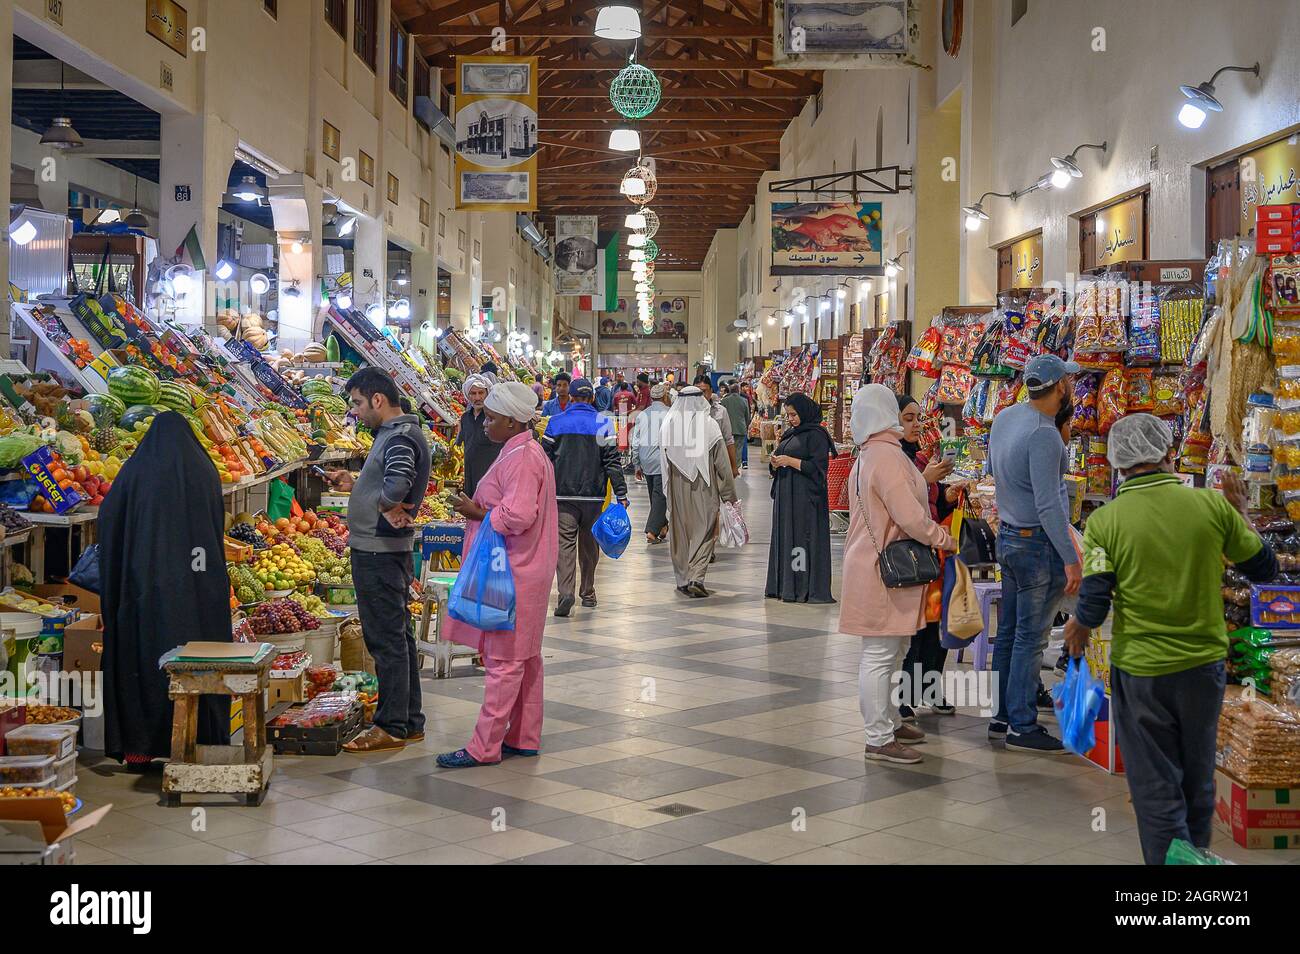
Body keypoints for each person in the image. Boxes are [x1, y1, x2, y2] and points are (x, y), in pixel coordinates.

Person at [1064, 415, 1276, 864]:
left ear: (1118, 463)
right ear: (1167, 453)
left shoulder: (1105, 522)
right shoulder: (1211, 507)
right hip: (1203, 668)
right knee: (1198, 781)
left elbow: (1097, 600)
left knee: (1156, 787)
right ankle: (1195, 863)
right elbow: (1264, 570)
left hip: (1141, 671)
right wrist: (1238, 518)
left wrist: (1079, 627)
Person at [437, 383, 560, 768]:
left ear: (512, 420)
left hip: (513, 570)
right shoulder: (523, 451)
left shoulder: (522, 458)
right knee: (525, 658)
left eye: (491, 418)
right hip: (523, 568)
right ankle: (523, 736)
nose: (485, 424)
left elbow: (519, 514)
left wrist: (477, 513)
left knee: (505, 661)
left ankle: (483, 746)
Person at [100, 412, 231, 771]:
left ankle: (142, 748)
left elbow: (109, 517)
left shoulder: (137, 472)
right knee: (198, 660)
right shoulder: (204, 470)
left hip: (146, 589)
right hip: (198, 588)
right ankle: (200, 739)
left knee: (145, 658)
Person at [840, 384, 956, 764]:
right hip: (882, 568)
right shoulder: (886, 456)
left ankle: (888, 720)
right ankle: (877, 737)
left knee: (893, 650)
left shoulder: (872, 453)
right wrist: (944, 538)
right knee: (880, 652)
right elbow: (908, 514)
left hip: (874, 563)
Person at [326, 368, 432, 752]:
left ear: (377, 399)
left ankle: (390, 726)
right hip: (384, 549)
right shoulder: (392, 435)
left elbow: (399, 483)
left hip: (379, 550)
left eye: (357, 403)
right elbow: (389, 482)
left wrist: (382, 503)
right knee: (398, 635)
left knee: (385, 639)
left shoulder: (400, 436)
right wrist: (357, 485)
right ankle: (409, 719)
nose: (355, 412)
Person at [987, 353, 1081, 753]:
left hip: (1008, 535)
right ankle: (1022, 725)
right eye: (1069, 382)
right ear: (1060, 386)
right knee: (1030, 637)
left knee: (1008, 633)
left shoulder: (1007, 416)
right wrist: (1071, 556)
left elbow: (992, 468)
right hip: (1035, 542)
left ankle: (1003, 715)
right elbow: (1049, 505)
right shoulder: (1043, 433)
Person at [895, 392, 961, 720]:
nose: (916, 424)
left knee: (934, 626)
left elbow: (932, 502)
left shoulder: (920, 457)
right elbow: (901, 503)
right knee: (914, 628)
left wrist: (946, 495)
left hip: (933, 550)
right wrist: (925, 481)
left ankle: (930, 690)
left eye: (918, 418)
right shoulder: (890, 459)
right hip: (909, 552)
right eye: (908, 418)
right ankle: (903, 699)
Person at [542, 377, 628, 616]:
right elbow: (612, 462)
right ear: (591, 398)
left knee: (565, 545)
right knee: (590, 545)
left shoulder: (555, 422)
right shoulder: (604, 424)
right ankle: (588, 592)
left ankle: (566, 592)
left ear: (570, 397)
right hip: (594, 496)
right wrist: (621, 492)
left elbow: (544, 460)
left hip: (563, 497)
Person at [661, 386, 738, 597]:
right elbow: (722, 464)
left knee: (680, 532)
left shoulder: (668, 424)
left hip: (676, 485)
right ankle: (696, 576)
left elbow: (663, 462)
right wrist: (729, 495)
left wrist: (666, 489)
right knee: (704, 530)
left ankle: (683, 579)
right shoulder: (710, 425)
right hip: (704, 485)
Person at [765, 393, 835, 604]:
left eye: (794, 414)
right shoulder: (792, 433)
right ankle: (787, 584)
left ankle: (801, 587)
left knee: (801, 542)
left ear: (804, 412)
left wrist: (790, 461)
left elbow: (818, 468)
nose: (792, 419)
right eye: (788, 415)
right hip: (787, 498)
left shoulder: (816, 435)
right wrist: (775, 462)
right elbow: (781, 456)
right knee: (788, 538)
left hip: (805, 500)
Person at [631, 382, 672, 543]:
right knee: (660, 496)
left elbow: (635, 441)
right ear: (664, 396)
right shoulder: (669, 414)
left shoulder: (642, 414)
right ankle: (652, 531)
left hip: (645, 459)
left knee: (654, 496)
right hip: (662, 460)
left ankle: (663, 526)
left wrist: (636, 463)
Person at [455, 373, 501, 497]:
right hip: (470, 473)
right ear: (468, 396)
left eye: (481, 393)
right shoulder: (465, 418)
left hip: (490, 475)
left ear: (487, 394)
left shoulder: (494, 418)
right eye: (473, 394)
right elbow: (459, 444)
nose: (477, 397)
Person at [693, 373, 738, 475]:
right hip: (694, 463)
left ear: (711, 391)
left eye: (704, 391)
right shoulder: (686, 412)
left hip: (716, 461)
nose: (701, 395)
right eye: (697, 392)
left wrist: (733, 466)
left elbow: (729, 440)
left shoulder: (720, 411)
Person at [721, 381, 752, 468]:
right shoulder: (744, 401)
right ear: (738, 390)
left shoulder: (724, 401)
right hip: (740, 428)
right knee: (738, 449)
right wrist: (745, 426)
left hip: (727, 429)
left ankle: (728, 466)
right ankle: (736, 466)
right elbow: (747, 416)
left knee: (727, 448)